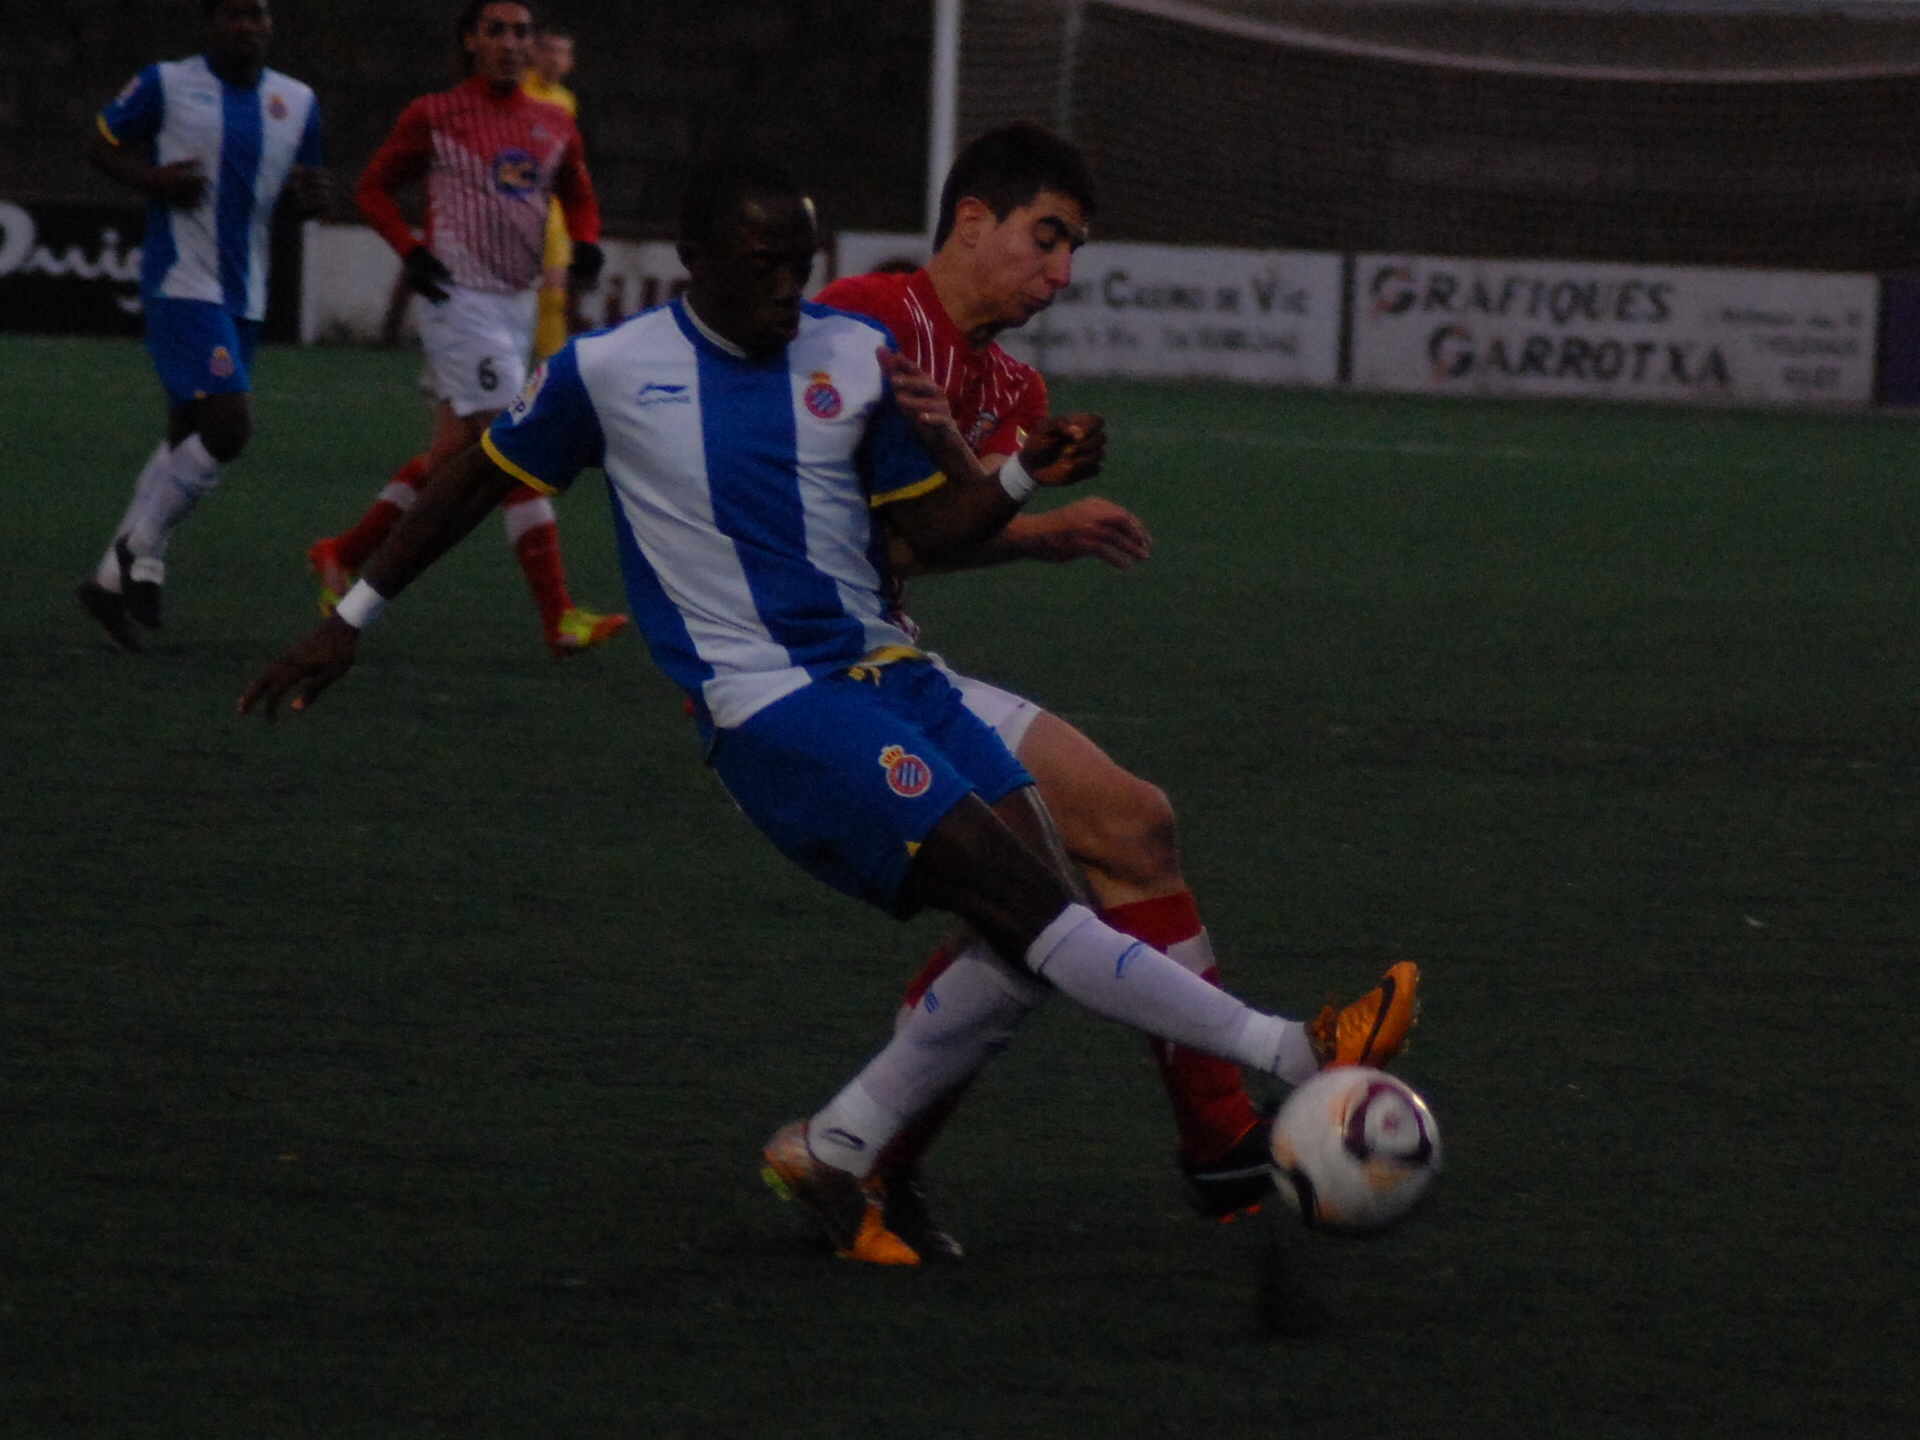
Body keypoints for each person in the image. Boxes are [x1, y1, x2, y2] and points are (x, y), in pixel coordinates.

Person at [239, 157, 1412, 1266]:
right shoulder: (609, 369)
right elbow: (471, 480)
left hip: (891, 672)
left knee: (1027, 929)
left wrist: (1020, 475)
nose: (787, 291)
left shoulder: (849, 352)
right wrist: (351, 616)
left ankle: (845, 1151)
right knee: (1026, 901)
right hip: (772, 705)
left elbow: (935, 529)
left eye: (800, 263)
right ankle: (1292, 1052)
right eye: (762, 266)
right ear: (694, 257)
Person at [785, 122, 1418, 1260]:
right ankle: (1213, 1126)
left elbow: (913, 544)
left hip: (890, 652)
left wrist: (1036, 533)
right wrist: (1025, 509)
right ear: (971, 221)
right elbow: (820, 510)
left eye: (1073, 249)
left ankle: (1190, 1139)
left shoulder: (1013, 384)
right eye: (1046, 238)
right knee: (1029, 902)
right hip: (815, 677)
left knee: (1129, 826)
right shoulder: (867, 320)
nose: (1061, 274)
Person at [305, 0, 627, 659]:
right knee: (518, 443)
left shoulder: (552, 119)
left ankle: (343, 552)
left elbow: (580, 194)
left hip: (516, 302)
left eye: (522, 32)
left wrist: (588, 241)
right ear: (471, 42)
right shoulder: (435, 114)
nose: (512, 42)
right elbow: (371, 188)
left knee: (451, 455)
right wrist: (412, 251)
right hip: (459, 301)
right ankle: (559, 614)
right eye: (498, 31)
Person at [75, 0, 328, 651]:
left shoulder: (298, 101)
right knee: (229, 425)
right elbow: (100, 143)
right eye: (231, 15)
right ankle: (142, 550)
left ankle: (108, 582)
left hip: (246, 293)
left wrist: (311, 201)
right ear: (210, 26)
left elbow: (295, 199)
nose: (244, 26)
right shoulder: (166, 82)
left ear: (273, 26)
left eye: (257, 15)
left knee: (187, 434)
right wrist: (151, 179)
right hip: (183, 283)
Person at [521, 21, 581, 363]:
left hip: (551, 207)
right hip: (512, 202)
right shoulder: (517, 92)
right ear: (534, 54)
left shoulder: (566, 101)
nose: (555, 59)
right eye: (549, 51)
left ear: (571, 63)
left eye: (563, 53)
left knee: (555, 292)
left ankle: (550, 368)